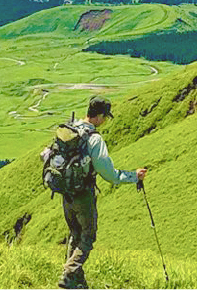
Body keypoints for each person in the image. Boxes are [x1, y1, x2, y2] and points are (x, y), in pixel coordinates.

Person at [56, 96, 148, 290]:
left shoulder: (71, 129)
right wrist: (134, 176)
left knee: (75, 233)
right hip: (83, 194)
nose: (105, 121)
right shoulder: (94, 139)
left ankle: (76, 281)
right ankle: (69, 274)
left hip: (66, 192)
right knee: (88, 236)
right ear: (98, 116)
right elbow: (109, 174)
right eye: (105, 117)